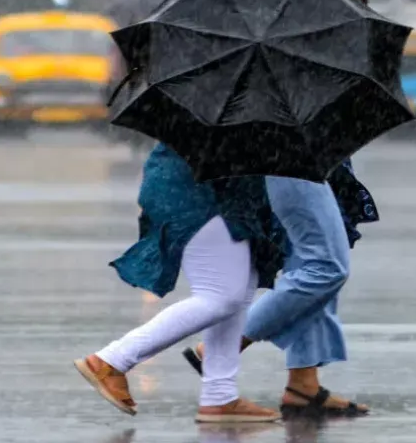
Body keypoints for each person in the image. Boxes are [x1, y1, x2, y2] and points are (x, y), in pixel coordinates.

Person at [181, 0, 379, 419]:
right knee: (325, 266)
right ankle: (226, 346)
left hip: (314, 162)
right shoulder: (298, 42)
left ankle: (304, 387)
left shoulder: (318, 37)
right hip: (292, 161)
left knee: (313, 262)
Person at [74, 142, 289, 423]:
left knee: (239, 290)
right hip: (199, 194)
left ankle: (219, 397)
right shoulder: (225, 108)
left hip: (221, 194)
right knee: (220, 296)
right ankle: (112, 360)